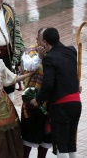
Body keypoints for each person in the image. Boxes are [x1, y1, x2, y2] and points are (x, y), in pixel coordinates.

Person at [31, 28, 82, 158]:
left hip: (62, 106)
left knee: (61, 143)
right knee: (71, 141)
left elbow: (48, 84)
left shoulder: (49, 59)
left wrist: (38, 100)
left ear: (45, 42)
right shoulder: (71, 50)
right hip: (76, 102)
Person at [21, 28, 52, 158]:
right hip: (32, 103)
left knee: (46, 140)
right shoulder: (29, 52)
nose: (44, 44)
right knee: (28, 140)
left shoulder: (55, 53)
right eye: (42, 40)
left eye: (47, 41)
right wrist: (40, 57)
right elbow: (28, 66)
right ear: (37, 39)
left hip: (49, 104)